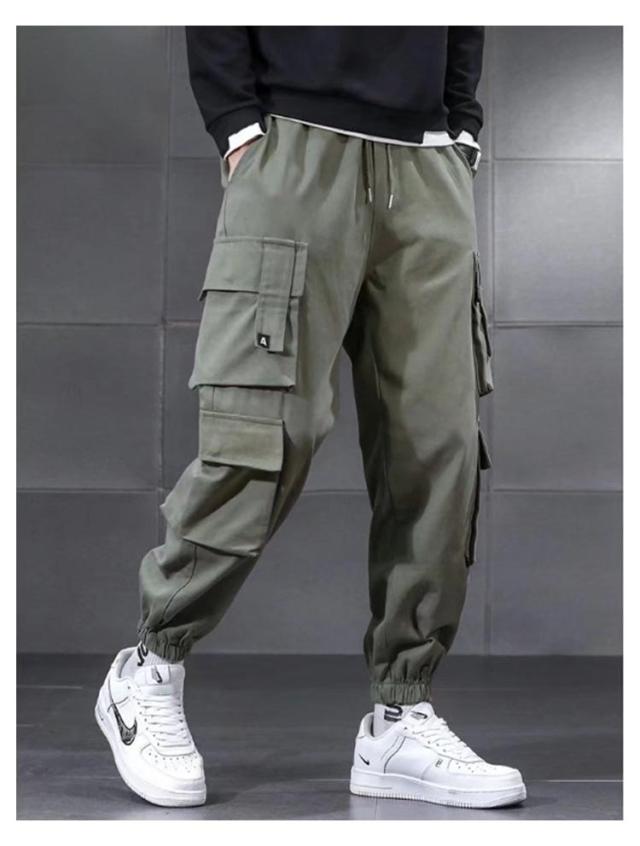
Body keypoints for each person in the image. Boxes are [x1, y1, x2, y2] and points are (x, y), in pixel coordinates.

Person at [95, 25, 526, 810]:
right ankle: (149, 666)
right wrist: (236, 124)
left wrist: (461, 122)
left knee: (440, 446)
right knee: (266, 430)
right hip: (293, 144)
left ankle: (399, 716)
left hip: (428, 160)